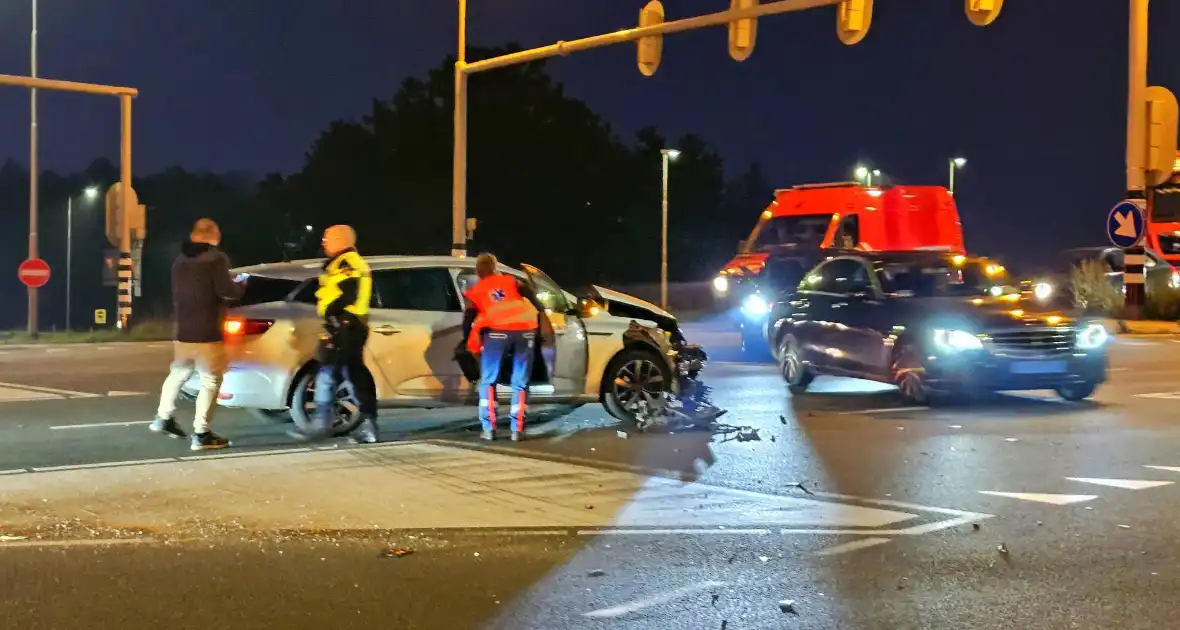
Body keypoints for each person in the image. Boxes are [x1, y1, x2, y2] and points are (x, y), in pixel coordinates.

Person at [150, 218, 244, 451]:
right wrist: (241, 285)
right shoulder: (216, 258)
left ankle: (163, 416)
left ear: (193, 236)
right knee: (211, 380)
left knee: (179, 373)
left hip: (183, 328)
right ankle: (202, 433)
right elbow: (227, 292)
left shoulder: (180, 260)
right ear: (214, 235)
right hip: (207, 329)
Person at [289, 224, 380, 444]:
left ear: (340, 239)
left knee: (346, 375)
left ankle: (347, 424)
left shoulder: (348, 264)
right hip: (341, 326)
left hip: (347, 327)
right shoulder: (340, 263)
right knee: (335, 374)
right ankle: (326, 423)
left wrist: (333, 314)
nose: (323, 242)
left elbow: (347, 293)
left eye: (327, 238)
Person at [463, 253, 549, 442]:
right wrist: (543, 318)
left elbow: (468, 319)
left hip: (497, 333)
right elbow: (533, 298)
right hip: (525, 330)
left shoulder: (476, 290)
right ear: (495, 268)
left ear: (478, 271)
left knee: (488, 381)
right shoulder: (511, 281)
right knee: (520, 381)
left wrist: (467, 342)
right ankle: (517, 430)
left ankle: (489, 428)